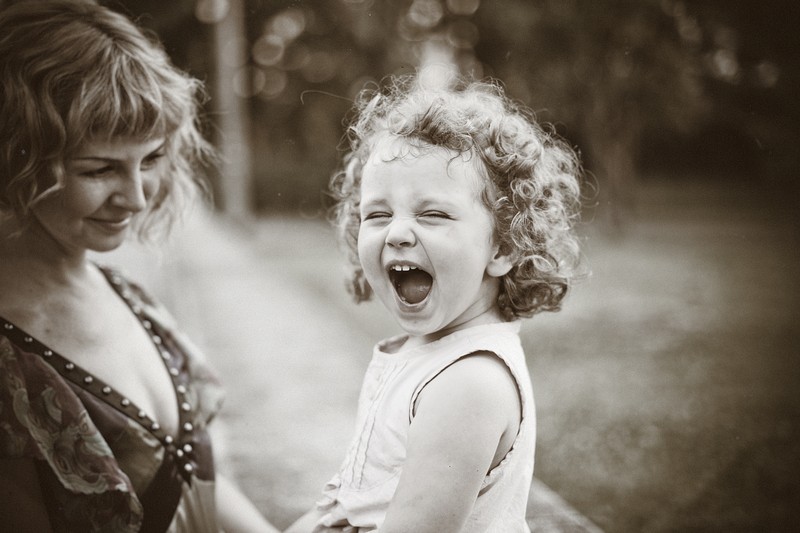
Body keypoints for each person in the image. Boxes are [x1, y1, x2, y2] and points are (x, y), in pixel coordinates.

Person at [0, 2, 279, 532]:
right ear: (16, 158)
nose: (136, 197)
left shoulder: (126, 292)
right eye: (99, 169)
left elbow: (194, 481)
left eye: (150, 159)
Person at [285, 75, 584, 533]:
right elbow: (352, 503)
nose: (397, 232)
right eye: (378, 214)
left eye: (432, 214)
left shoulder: (469, 382)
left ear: (503, 246)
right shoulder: (431, 353)